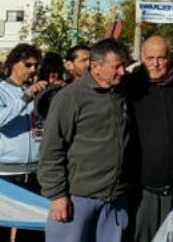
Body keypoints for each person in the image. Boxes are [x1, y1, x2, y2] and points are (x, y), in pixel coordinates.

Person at [38, 38, 130, 242]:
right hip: (76, 200)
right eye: (117, 66)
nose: (123, 72)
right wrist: (56, 195)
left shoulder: (121, 92)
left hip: (113, 200)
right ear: (95, 67)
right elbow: (51, 149)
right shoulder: (70, 98)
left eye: (125, 65)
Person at [127, 35, 173, 242]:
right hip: (143, 190)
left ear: (170, 59)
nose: (155, 63)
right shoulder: (130, 87)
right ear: (141, 59)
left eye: (161, 58)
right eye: (150, 58)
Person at [0, 43, 46, 242]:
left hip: (34, 172)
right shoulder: (2, 91)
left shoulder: (36, 92)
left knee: (32, 232)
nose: (33, 70)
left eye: (36, 65)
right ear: (13, 64)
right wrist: (24, 98)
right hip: (7, 173)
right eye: (28, 65)